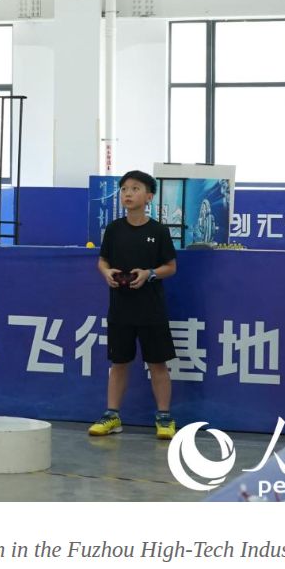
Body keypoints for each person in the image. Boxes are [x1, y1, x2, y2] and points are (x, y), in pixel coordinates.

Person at [90, 170, 179, 440]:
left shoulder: (159, 231)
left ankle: (164, 417)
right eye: (125, 189)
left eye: (135, 188)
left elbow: (171, 267)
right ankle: (112, 415)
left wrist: (149, 273)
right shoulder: (114, 229)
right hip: (120, 309)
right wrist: (106, 273)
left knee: (158, 364)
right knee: (119, 364)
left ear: (149, 196)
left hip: (152, 310)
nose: (128, 193)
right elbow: (102, 261)